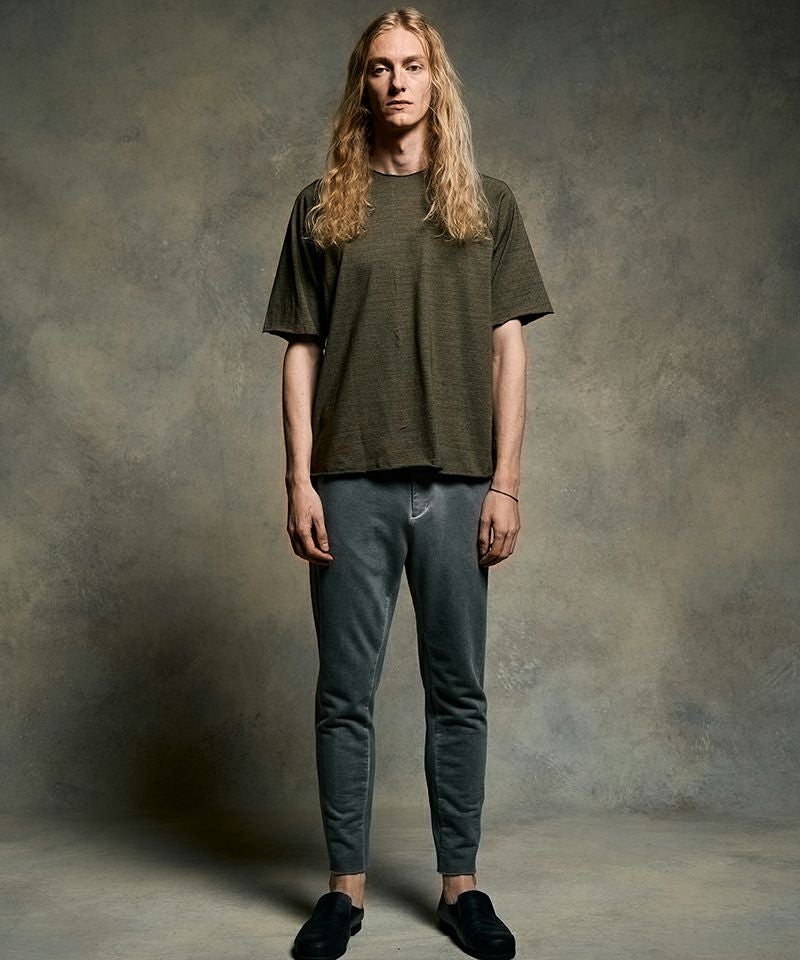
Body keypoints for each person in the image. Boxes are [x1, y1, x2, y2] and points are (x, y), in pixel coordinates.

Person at [262, 8, 553, 960]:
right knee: (344, 692)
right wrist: (299, 478)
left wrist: (506, 484)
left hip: (460, 483)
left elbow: (509, 349)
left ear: (436, 81)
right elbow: (301, 349)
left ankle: (461, 886)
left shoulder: (486, 203)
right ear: (363, 83)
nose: (396, 82)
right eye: (381, 67)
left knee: (457, 688)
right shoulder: (322, 207)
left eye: (413, 65)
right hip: (349, 483)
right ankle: (342, 894)